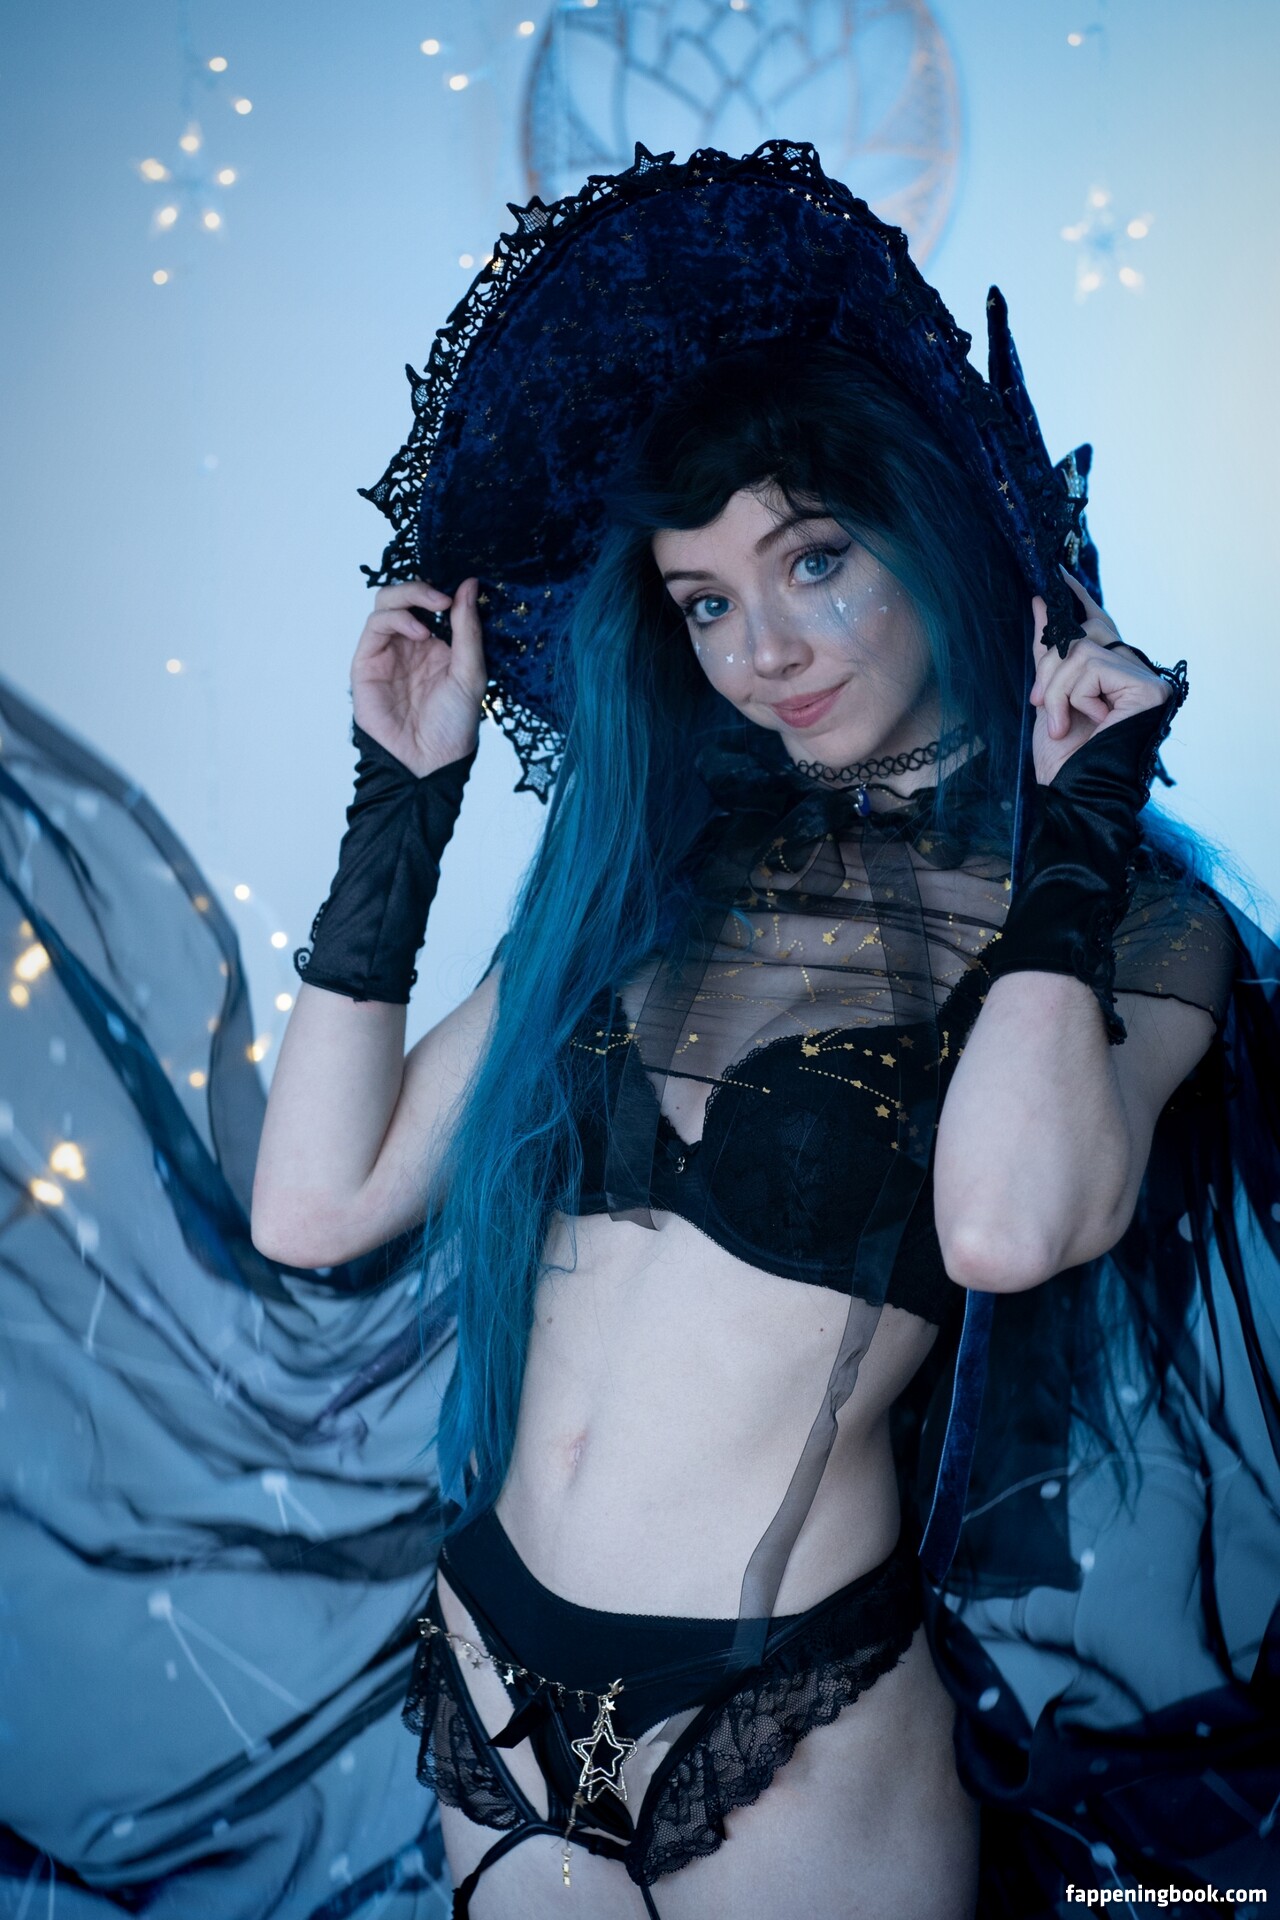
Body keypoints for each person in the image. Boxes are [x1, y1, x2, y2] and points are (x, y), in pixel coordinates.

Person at [249, 142, 1278, 1917]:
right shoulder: (654, 878)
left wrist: (1078, 836)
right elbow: (316, 1205)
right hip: (487, 1673)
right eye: (707, 602)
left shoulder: (1131, 923)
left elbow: (1007, 1224)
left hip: (790, 1727)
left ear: (936, 540)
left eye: (814, 562)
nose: (762, 652)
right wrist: (399, 806)